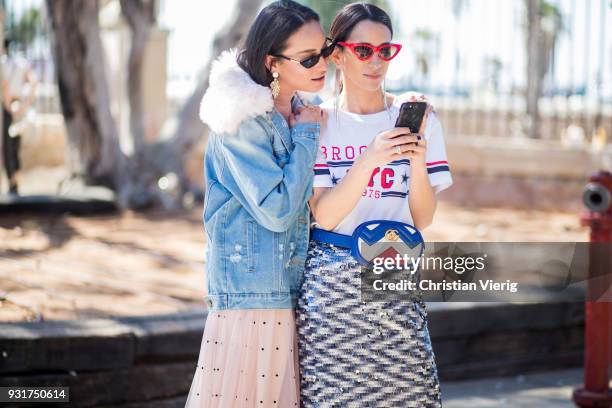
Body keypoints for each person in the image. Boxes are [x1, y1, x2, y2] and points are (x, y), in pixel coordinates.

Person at [296, 3, 453, 407]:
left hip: (394, 272)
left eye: (386, 50)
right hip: (332, 284)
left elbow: (424, 216)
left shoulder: (417, 117)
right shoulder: (318, 122)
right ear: (338, 55)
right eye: (363, 50)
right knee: (333, 397)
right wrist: (371, 158)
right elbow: (325, 214)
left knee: (409, 393)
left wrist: (415, 159)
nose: (376, 61)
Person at [184, 1, 331, 407]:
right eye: (309, 57)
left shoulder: (302, 113)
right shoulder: (241, 121)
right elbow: (278, 209)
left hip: (285, 289)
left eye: (326, 50)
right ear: (273, 63)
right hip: (249, 295)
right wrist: (305, 138)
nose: (323, 63)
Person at [1, 38, 37, 195]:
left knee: (8, 147)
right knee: (15, 147)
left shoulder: (3, 63)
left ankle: (12, 183)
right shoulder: (22, 63)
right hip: (20, 107)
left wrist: (9, 106)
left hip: (9, 108)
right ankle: (15, 182)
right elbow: (33, 82)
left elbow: (5, 86)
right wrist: (26, 104)